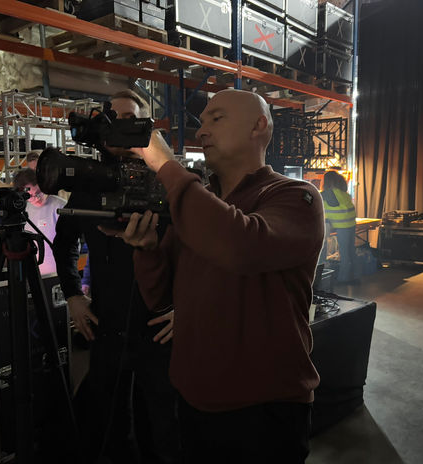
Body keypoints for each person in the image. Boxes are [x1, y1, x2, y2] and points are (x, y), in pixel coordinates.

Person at [110, 89, 325, 463]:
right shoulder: (197, 203)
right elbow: (161, 298)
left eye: (217, 118)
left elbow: (242, 244)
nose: (201, 131)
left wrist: (166, 166)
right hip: (194, 399)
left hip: (264, 407)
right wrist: (148, 251)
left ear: (259, 126)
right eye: (202, 121)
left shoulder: (295, 196)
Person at [52, 90, 180, 464]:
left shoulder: (167, 181)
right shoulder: (88, 183)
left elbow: (199, 251)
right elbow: (64, 242)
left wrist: (188, 307)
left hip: (159, 330)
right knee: (109, 427)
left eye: (129, 119)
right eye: (112, 118)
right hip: (106, 327)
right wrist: (73, 295)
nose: (119, 127)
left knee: (162, 430)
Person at [12, 167, 66, 275]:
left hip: (58, 273)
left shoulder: (60, 206)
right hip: (32, 274)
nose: (36, 198)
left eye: (38, 192)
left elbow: (71, 244)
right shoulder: (22, 210)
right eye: (30, 196)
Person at [320, 170, 356, 283]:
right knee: (350, 251)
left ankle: (342, 279)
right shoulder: (344, 193)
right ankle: (354, 277)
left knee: (343, 253)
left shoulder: (327, 194)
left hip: (342, 226)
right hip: (350, 224)